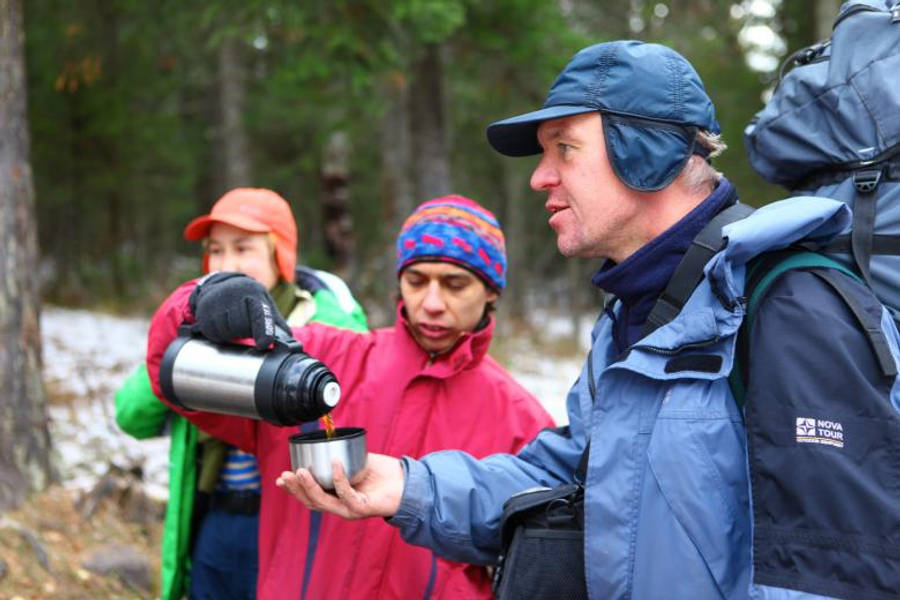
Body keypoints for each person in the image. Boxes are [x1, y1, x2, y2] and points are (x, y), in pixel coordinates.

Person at [276, 41, 900, 599]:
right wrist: (405, 486)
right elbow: (565, 479)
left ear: (648, 155)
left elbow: (837, 576)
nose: (539, 177)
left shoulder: (788, 304)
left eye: (565, 149)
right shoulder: (638, 313)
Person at [143, 194, 556, 599]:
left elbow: (541, 555)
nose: (431, 303)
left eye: (454, 284)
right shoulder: (316, 361)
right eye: (416, 281)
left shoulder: (519, 420)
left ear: (491, 292)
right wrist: (198, 302)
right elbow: (170, 368)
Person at [115, 187, 368, 600]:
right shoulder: (194, 326)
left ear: (280, 256)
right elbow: (131, 416)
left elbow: (351, 398)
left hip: (291, 520)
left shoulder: (324, 323)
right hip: (213, 512)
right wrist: (175, 348)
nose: (226, 264)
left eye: (243, 248)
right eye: (216, 250)